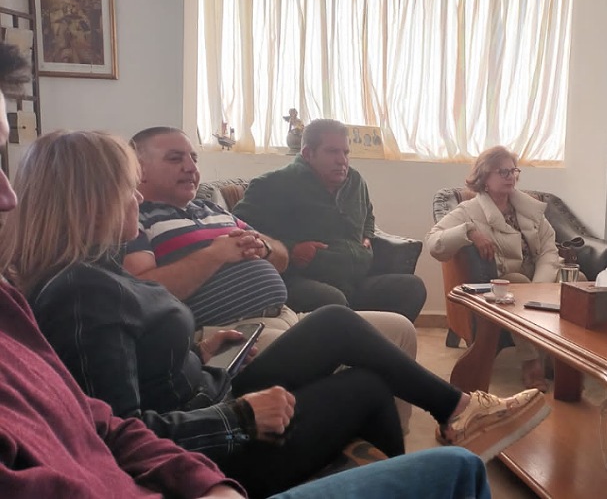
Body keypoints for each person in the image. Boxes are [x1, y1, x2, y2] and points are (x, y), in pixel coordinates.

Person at [0, 41, 491, 499]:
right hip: (208, 444)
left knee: (341, 333)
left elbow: (133, 364)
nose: (136, 197)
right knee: (366, 384)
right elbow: (116, 435)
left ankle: (440, 431)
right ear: (91, 201)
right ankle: (431, 450)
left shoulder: (99, 269)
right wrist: (239, 416)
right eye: (128, 186)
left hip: (211, 385)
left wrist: (199, 349)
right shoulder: (80, 293)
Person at [122, 126, 417, 429]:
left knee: (400, 330)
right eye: (175, 159)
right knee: (352, 367)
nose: (190, 167)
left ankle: (393, 439)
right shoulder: (135, 220)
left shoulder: (211, 209)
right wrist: (214, 254)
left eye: (194, 158)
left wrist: (265, 247)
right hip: (231, 331)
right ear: (139, 169)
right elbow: (141, 294)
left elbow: (281, 257)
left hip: (288, 314)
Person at [232, 119, 426, 322]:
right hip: (300, 280)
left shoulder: (355, 181)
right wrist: (291, 249)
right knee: (332, 300)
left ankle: (369, 341)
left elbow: (368, 214)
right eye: (332, 152)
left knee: (412, 288)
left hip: (355, 280)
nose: (342, 160)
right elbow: (239, 229)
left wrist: (367, 235)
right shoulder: (272, 185)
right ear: (308, 153)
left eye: (345, 152)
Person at [426, 146, 561, 391]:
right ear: (484, 177)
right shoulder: (469, 210)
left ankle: (560, 356)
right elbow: (434, 242)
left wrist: (541, 285)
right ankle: (531, 362)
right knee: (519, 285)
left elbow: (549, 249)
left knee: (577, 280)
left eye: (513, 171)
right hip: (506, 280)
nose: (511, 177)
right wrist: (468, 231)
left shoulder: (529, 208)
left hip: (540, 276)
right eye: (503, 172)